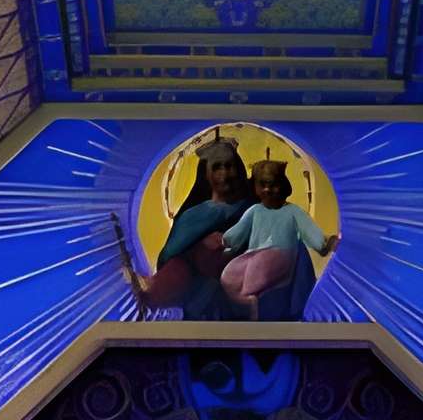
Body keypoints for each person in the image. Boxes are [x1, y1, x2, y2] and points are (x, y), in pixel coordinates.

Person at [128, 133, 251, 317]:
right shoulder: (193, 214)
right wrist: (202, 246)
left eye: (229, 166)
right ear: (206, 174)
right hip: (203, 285)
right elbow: (171, 255)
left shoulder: (254, 205)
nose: (224, 173)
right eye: (217, 167)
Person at [215, 158, 335, 320]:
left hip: (281, 256)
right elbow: (238, 231)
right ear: (256, 188)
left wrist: (324, 244)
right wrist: (225, 240)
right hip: (254, 256)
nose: (268, 190)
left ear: (284, 186)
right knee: (228, 275)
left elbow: (311, 232)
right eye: (263, 185)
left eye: (273, 185)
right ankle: (248, 301)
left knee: (261, 264)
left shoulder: (292, 211)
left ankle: (250, 293)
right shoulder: (255, 210)